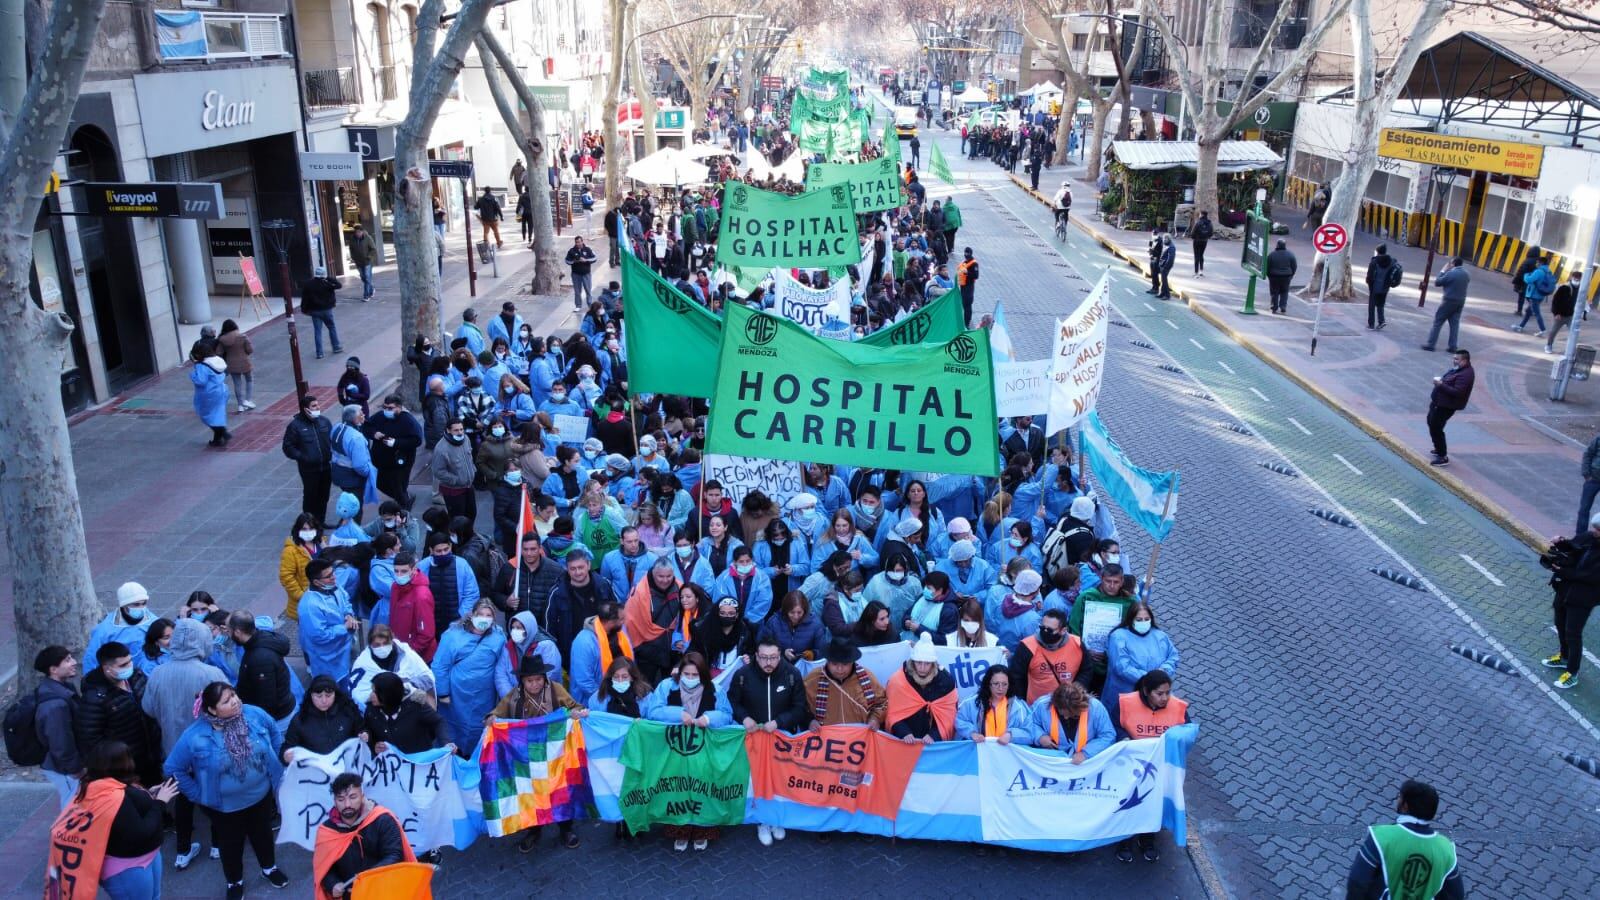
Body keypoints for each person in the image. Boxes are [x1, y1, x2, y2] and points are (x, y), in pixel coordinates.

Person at [164, 682, 289, 899]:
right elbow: (173, 768)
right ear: (212, 710)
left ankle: (269, 868)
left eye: (234, 695)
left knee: (263, 835)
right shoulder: (195, 735)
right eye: (227, 700)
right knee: (230, 845)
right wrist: (196, 794)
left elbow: (274, 732)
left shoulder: (254, 714)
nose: (236, 701)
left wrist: (280, 758)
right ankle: (234, 882)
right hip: (224, 808)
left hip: (261, 797)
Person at [44, 741, 180, 900]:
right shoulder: (112, 798)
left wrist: (149, 795)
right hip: (128, 870)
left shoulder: (100, 786)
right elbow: (142, 832)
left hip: (144, 860)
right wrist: (160, 802)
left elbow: (128, 808)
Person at [141, 619, 226, 866]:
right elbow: (229, 708)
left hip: (173, 748)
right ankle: (218, 845)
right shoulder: (211, 674)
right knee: (214, 795)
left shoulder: (157, 673)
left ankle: (183, 850)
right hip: (208, 749)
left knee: (183, 800)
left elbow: (148, 708)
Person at [490, 655, 587, 851]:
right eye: (529, 680)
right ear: (522, 681)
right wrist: (491, 719)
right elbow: (496, 714)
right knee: (530, 794)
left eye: (538, 679)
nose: (534, 684)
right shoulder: (514, 697)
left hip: (555, 753)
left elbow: (575, 707)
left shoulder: (555, 690)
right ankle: (533, 831)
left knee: (559, 790)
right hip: (526, 757)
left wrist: (576, 713)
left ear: (544, 678)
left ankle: (565, 829)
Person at [645, 652, 730, 852]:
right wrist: (677, 714)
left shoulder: (715, 689)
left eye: (695, 675)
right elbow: (652, 711)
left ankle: (703, 831)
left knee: (703, 789)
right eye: (687, 674)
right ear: (679, 672)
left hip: (705, 753)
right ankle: (679, 831)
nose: (690, 679)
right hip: (674, 752)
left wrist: (709, 718)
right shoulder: (666, 686)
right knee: (678, 790)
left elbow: (727, 715)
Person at [1346, 780, 1465, 900]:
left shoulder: (1381, 837)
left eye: (1400, 797)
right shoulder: (1446, 850)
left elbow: (1357, 881)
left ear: (1405, 805)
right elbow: (1456, 895)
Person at [312, 772, 415, 899]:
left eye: (353, 797)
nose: (347, 804)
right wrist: (333, 884)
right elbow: (324, 868)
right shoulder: (326, 831)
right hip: (350, 895)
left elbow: (394, 855)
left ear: (362, 796)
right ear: (334, 801)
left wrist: (366, 879)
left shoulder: (383, 819)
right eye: (341, 799)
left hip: (384, 890)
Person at [432, 600, 513, 753]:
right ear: (472, 614)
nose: (484, 618)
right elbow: (440, 665)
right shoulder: (452, 636)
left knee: (479, 729)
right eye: (480, 614)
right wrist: (443, 692)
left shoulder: (498, 637)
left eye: (488, 615)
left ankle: (477, 759)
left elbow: (503, 666)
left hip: (484, 696)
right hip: (456, 695)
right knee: (453, 727)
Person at [1102, 602, 1180, 721]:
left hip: (1155, 695)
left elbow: (1173, 656)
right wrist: (1152, 679)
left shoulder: (1160, 636)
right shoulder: (1118, 637)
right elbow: (1122, 668)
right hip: (1127, 693)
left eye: (1146, 619)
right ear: (1131, 619)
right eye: (1139, 619)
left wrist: (1164, 671)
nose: (1143, 622)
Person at [30, 646, 83, 809]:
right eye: (67, 660)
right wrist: (74, 769)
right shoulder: (55, 705)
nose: (74, 662)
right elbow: (60, 741)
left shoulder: (63, 689)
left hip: (64, 765)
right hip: (64, 769)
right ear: (53, 669)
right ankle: (68, 835)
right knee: (71, 808)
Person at [885, 633, 957, 743]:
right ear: (913, 662)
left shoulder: (946, 682)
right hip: (905, 741)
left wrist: (934, 735)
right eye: (919, 662)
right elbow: (892, 712)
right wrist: (903, 732)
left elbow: (949, 717)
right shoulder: (898, 681)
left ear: (933, 664)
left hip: (933, 744)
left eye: (927, 663)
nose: (922, 668)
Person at [229, 611, 297, 725]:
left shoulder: (259, 659)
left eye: (229, 630)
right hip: (281, 710)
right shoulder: (261, 639)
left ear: (237, 632)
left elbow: (267, 699)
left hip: (276, 719)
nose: (228, 634)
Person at [804, 637, 887, 729]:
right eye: (834, 664)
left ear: (852, 662)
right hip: (826, 738)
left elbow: (882, 703)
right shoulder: (813, 678)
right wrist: (809, 721)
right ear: (827, 661)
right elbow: (801, 706)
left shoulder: (867, 677)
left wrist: (875, 719)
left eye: (845, 664)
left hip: (860, 737)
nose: (839, 669)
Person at [365, 670, 451, 756]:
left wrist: (446, 743)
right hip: (390, 764)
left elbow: (438, 722)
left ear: (387, 694)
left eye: (375, 692)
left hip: (419, 762)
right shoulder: (371, 710)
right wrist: (373, 746)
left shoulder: (415, 706)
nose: (371, 695)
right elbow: (366, 731)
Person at [282, 675, 367, 761]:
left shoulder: (348, 710)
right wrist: (286, 756)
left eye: (328, 695)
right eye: (319, 696)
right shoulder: (300, 720)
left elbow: (362, 728)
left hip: (348, 764)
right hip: (318, 770)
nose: (324, 701)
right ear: (310, 696)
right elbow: (287, 748)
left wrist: (365, 734)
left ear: (335, 694)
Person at [300, 558, 359, 680]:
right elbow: (320, 635)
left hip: (343, 647)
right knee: (333, 686)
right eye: (328, 576)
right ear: (316, 582)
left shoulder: (333, 587)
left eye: (333, 572)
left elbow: (345, 601)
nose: (334, 577)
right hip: (327, 656)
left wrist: (349, 614)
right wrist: (344, 627)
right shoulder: (309, 606)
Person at [1009, 608, 1083, 703]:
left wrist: (1076, 691)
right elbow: (1016, 677)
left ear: (1063, 630)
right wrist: (1023, 702)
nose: (1045, 632)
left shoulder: (1077, 644)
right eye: (1042, 628)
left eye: (1050, 630)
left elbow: (1086, 670)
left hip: (1067, 704)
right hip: (1035, 707)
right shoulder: (1027, 646)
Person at [1029, 681, 1114, 763]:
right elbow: (1029, 724)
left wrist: (1085, 753)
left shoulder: (1096, 707)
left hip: (1083, 763)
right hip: (1052, 760)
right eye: (1062, 714)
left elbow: (1108, 735)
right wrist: (1040, 736)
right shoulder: (1042, 705)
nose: (1066, 718)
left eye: (1072, 715)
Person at [284, 394, 336, 524]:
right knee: (310, 496)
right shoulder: (295, 426)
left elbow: (332, 440)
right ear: (305, 409)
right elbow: (288, 447)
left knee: (324, 496)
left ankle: (320, 522)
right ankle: (309, 523)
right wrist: (303, 457)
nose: (317, 407)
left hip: (325, 466)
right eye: (314, 406)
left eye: (317, 405)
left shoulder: (324, 421)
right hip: (309, 470)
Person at [364, 394, 422, 508]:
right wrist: (373, 433)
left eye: (390, 408)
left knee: (399, 489)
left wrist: (396, 443)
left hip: (400, 463)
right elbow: (367, 426)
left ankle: (405, 509)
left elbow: (417, 440)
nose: (386, 410)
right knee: (379, 483)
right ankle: (405, 497)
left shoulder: (408, 420)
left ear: (399, 407)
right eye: (384, 407)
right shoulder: (380, 416)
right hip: (380, 461)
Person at [86, 581, 154, 669]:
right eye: (136, 604)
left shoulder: (152, 620)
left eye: (144, 603)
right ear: (124, 605)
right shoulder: (105, 629)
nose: (141, 608)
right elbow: (91, 658)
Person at [956, 665, 1030, 743]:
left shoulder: (1019, 707)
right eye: (996, 684)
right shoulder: (971, 702)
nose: (1000, 688)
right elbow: (960, 721)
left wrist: (1011, 735)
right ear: (988, 684)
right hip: (981, 752)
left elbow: (1029, 732)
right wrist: (972, 733)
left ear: (1009, 685)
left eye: (1004, 684)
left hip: (1007, 753)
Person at [1426, 349, 1474, 467]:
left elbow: (1457, 392)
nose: (1454, 361)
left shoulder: (1466, 375)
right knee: (1431, 423)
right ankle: (1438, 448)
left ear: (1465, 360)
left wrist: (1441, 385)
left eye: (1457, 359)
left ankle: (1443, 456)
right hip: (1438, 402)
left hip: (1446, 405)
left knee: (1436, 428)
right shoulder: (1459, 369)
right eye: (1454, 358)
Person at [388, 552, 438, 662]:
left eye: (404, 571)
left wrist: (409, 654)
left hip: (417, 656)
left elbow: (426, 634)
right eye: (396, 571)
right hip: (400, 649)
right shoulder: (395, 587)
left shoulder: (421, 596)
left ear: (414, 569)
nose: (399, 575)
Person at [1423, 257, 1470, 352]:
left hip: (1449, 300)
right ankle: (1453, 346)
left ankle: (1431, 344)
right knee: (1454, 324)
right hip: (1460, 301)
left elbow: (1438, 282)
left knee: (1438, 321)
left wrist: (1443, 270)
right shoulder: (1466, 274)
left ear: (1453, 264)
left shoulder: (1451, 273)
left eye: (1451, 263)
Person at [189, 342, 231, 446]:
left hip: (209, 393)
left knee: (207, 415)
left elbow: (201, 381)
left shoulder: (201, 365)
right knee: (217, 414)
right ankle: (217, 438)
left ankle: (223, 433)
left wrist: (193, 375)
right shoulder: (217, 360)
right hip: (221, 390)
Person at [300, 267, 346, 357]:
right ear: (323, 274)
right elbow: (339, 285)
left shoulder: (308, 284)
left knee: (317, 331)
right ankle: (336, 347)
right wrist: (328, 277)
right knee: (331, 327)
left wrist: (304, 309)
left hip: (315, 311)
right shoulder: (327, 284)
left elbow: (304, 298)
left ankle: (319, 353)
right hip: (327, 309)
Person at [217, 319, 255, 413]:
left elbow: (219, 352)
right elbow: (250, 350)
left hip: (231, 364)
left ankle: (240, 405)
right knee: (249, 380)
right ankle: (248, 400)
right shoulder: (242, 337)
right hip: (244, 362)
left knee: (237, 384)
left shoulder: (222, 339)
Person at [1515, 254, 1555, 335]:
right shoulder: (1548, 271)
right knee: (1528, 311)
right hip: (1541, 295)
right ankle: (1521, 326)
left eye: (1537, 262)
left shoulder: (1538, 271)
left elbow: (1529, 280)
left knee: (1536, 313)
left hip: (1534, 295)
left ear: (1540, 263)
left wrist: (1526, 275)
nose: (1536, 264)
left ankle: (1543, 330)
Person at [1365, 244, 1400, 330]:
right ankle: (1381, 321)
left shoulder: (1374, 262)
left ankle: (1371, 324)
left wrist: (1369, 284)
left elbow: (1369, 276)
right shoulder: (1391, 261)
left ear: (1377, 252)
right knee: (1380, 304)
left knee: (1372, 305)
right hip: (1385, 287)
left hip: (1374, 287)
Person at [1547, 269, 1581, 354]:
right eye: (1575, 278)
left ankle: (1570, 351)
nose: (1577, 280)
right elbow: (1555, 301)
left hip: (1571, 316)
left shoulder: (1581, 289)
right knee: (1553, 331)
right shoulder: (1564, 287)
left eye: (1578, 279)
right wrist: (1556, 313)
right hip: (1560, 315)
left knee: (1573, 334)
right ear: (1572, 277)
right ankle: (1548, 345)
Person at [566, 235, 598, 311]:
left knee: (588, 290)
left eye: (579, 242)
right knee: (577, 291)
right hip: (576, 274)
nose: (578, 244)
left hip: (586, 273)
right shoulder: (571, 251)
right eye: (576, 242)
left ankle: (590, 305)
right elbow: (567, 261)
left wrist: (586, 260)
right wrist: (575, 261)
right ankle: (578, 305)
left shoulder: (588, 249)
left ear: (582, 241)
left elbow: (594, 258)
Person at [1266, 239, 1297, 314]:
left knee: (1274, 292)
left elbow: (1267, 266)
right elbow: (1294, 266)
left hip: (1274, 276)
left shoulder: (1271, 255)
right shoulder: (1290, 254)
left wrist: (1269, 275)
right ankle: (1283, 307)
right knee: (1284, 292)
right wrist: (1291, 275)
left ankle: (1274, 307)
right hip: (1286, 276)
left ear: (1277, 245)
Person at [348, 225, 377, 300]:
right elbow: (351, 249)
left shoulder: (367, 238)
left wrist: (369, 257)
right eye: (356, 232)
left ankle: (366, 295)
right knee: (363, 277)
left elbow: (373, 249)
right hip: (358, 262)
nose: (358, 233)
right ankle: (371, 289)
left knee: (367, 277)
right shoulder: (352, 239)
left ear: (362, 231)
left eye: (359, 232)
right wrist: (353, 257)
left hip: (367, 262)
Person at [956, 247, 979, 327]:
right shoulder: (965, 262)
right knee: (963, 304)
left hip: (969, 287)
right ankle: (963, 321)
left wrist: (967, 273)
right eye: (965, 253)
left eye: (967, 253)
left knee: (967, 305)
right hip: (963, 286)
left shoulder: (974, 264)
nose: (966, 255)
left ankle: (967, 323)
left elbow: (976, 276)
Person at [1191, 211, 1213, 275]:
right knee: (1201, 255)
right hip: (1204, 241)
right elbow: (1211, 233)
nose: (1199, 215)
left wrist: (1194, 237)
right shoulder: (1209, 223)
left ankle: (1196, 272)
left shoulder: (1198, 222)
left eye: (1200, 214)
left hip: (1197, 241)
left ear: (1202, 215)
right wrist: (1206, 237)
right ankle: (1201, 271)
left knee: (1196, 256)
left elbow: (1192, 233)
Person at [1156, 234, 1176, 299]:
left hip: (1166, 266)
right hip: (1163, 264)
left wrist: (1165, 266)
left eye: (1166, 239)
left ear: (1169, 239)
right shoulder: (1167, 245)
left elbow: (1171, 258)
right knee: (1162, 280)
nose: (1164, 240)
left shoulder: (1171, 247)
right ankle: (1162, 293)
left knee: (1164, 280)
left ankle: (1167, 295)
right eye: (1164, 239)